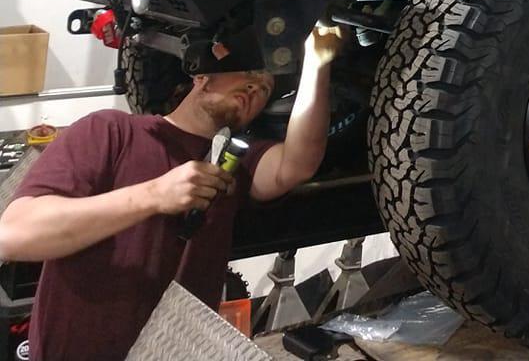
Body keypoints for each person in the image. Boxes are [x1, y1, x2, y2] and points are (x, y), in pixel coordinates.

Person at [0, 25, 342, 360]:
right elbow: (14, 234)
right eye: (248, 73)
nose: (255, 87)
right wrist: (154, 195)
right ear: (202, 76)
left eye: (264, 89)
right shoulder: (111, 131)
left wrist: (317, 64)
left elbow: (297, 164)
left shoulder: (233, 162)